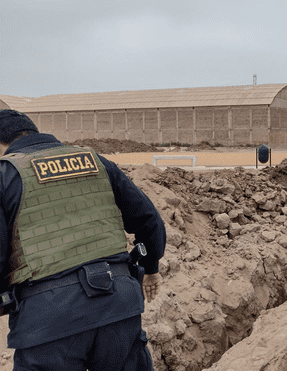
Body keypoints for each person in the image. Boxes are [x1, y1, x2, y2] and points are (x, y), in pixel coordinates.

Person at [0, 109, 166, 370]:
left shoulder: (5, 174)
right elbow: (149, 219)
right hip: (119, 304)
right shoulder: (96, 161)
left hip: (48, 318)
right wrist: (152, 268)